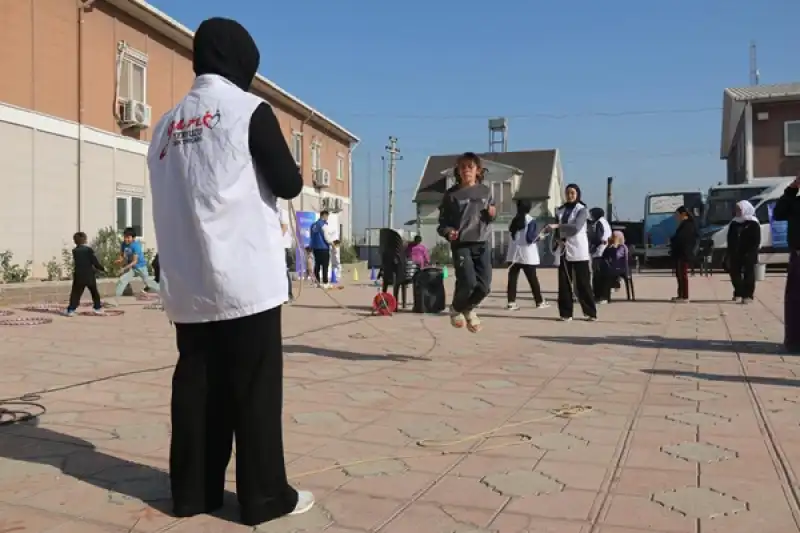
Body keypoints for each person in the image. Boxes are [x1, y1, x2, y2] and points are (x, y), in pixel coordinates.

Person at [146, 17, 311, 526]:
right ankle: (265, 498)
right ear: (241, 60)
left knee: (197, 384)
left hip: (189, 280)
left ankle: (193, 493)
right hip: (244, 279)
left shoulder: (165, 125)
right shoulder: (248, 111)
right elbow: (287, 182)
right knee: (253, 387)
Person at [437, 152, 496, 332]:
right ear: (458, 171)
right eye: (462, 167)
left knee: (484, 287)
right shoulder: (451, 195)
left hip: (482, 243)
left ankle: (468, 308)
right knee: (468, 282)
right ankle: (456, 309)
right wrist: (448, 232)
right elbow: (442, 224)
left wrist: (493, 214)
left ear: (477, 170)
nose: (466, 170)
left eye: (470, 167)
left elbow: (491, 215)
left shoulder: (486, 191)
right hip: (461, 244)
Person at [548, 184, 597, 321]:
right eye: (568, 193)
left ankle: (590, 312)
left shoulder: (582, 210)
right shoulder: (560, 210)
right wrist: (557, 239)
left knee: (583, 283)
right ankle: (565, 313)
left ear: (577, 195)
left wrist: (558, 226)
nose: (570, 196)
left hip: (578, 249)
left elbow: (576, 227)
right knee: (563, 283)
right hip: (564, 250)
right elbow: (556, 229)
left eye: (572, 193)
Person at [773, 176, 800, 352]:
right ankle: (795, 341)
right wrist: (791, 189)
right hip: (798, 255)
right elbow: (778, 213)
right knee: (795, 300)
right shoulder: (794, 202)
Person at [505, 200, 548, 310]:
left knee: (512, 279)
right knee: (532, 279)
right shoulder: (530, 220)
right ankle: (539, 302)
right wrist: (540, 237)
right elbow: (530, 238)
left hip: (513, 254)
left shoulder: (513, 220)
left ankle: (511, 303)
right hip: (527, 255)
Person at [108, 227, 160, 305]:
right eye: (125, 237)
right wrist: (120, 260)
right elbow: (122, 255)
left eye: (128, 237)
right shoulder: (123, 244)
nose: (126, 239)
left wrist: (123, 269)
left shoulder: (136, 246)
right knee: (122, 280)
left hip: (141, 267)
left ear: (133, 238)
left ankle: (165, 292)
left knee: (148, 283)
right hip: (132, 268)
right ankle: (115, 301)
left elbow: (134, 261)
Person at [727, 200, 761, 304]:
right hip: (736, 253)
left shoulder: (753, 223)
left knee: (749, 274)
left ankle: (748, 295)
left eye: (739, 209)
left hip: (749, 253)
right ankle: (738, 292)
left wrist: (750, 252)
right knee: (734, 273)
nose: (737, 211)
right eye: (736, 209)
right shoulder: (734, 223)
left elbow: (756, 240)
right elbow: (730, 238)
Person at [64, 232, 105, 316]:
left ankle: (71, 309)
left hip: (78, 275)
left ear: (75, 241)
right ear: (85, 240)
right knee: (94, 292)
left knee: (76, 293)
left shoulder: (75, 251)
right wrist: (102, 269)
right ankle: (97, 308)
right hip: (89, 275)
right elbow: (94, 262)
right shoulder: (88, 250)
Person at [669, 206, 698, 303]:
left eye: (677, 215)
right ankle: (680, 295)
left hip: (684, 253)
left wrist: (674, 240)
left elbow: (683, 239)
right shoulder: (683, 224)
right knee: (679, 274)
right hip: (680, 253)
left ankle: (685, 296)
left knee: (683, 274)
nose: (676, 217)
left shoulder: (688, 225)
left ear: (683, 214)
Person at [597, 231, 630, 303]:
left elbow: (616, 256)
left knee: (608, 276)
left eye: (614, 237)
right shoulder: (611, 246)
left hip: (621, 268)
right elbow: (604, 256)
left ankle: (606, 297)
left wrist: (614, 246)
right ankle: (601, 294)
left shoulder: (622, 247)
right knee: (600, 274)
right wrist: (608, 246)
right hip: (612, 268)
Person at [588, 207, 612, 302]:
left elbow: (597, 238)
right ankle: (602, 295)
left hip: (599, 251)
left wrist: (590, 243)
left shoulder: (599, 223)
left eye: (592, 214)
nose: (591, 216)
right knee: (602, 274)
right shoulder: (605, 222)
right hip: (605, 250)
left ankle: (597, 295)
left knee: (597, 275)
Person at [309, 211, 333, 288]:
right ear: (324, 216)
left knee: (317, 265)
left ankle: (317, 282)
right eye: (327, 217)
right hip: (323, 248)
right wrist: (333, 244)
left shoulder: (313, 225)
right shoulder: (324, 225)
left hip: (315, 248)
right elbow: (327, 238)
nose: (327, 218)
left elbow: (311, 236)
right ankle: (325, 283)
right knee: (325, 266)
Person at [280, 206, 294, 302]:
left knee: (284, 271)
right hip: (278, 247)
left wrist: (274, 240)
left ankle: (288, 294)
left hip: (283, 247)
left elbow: (284, 226)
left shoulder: (281, 211)